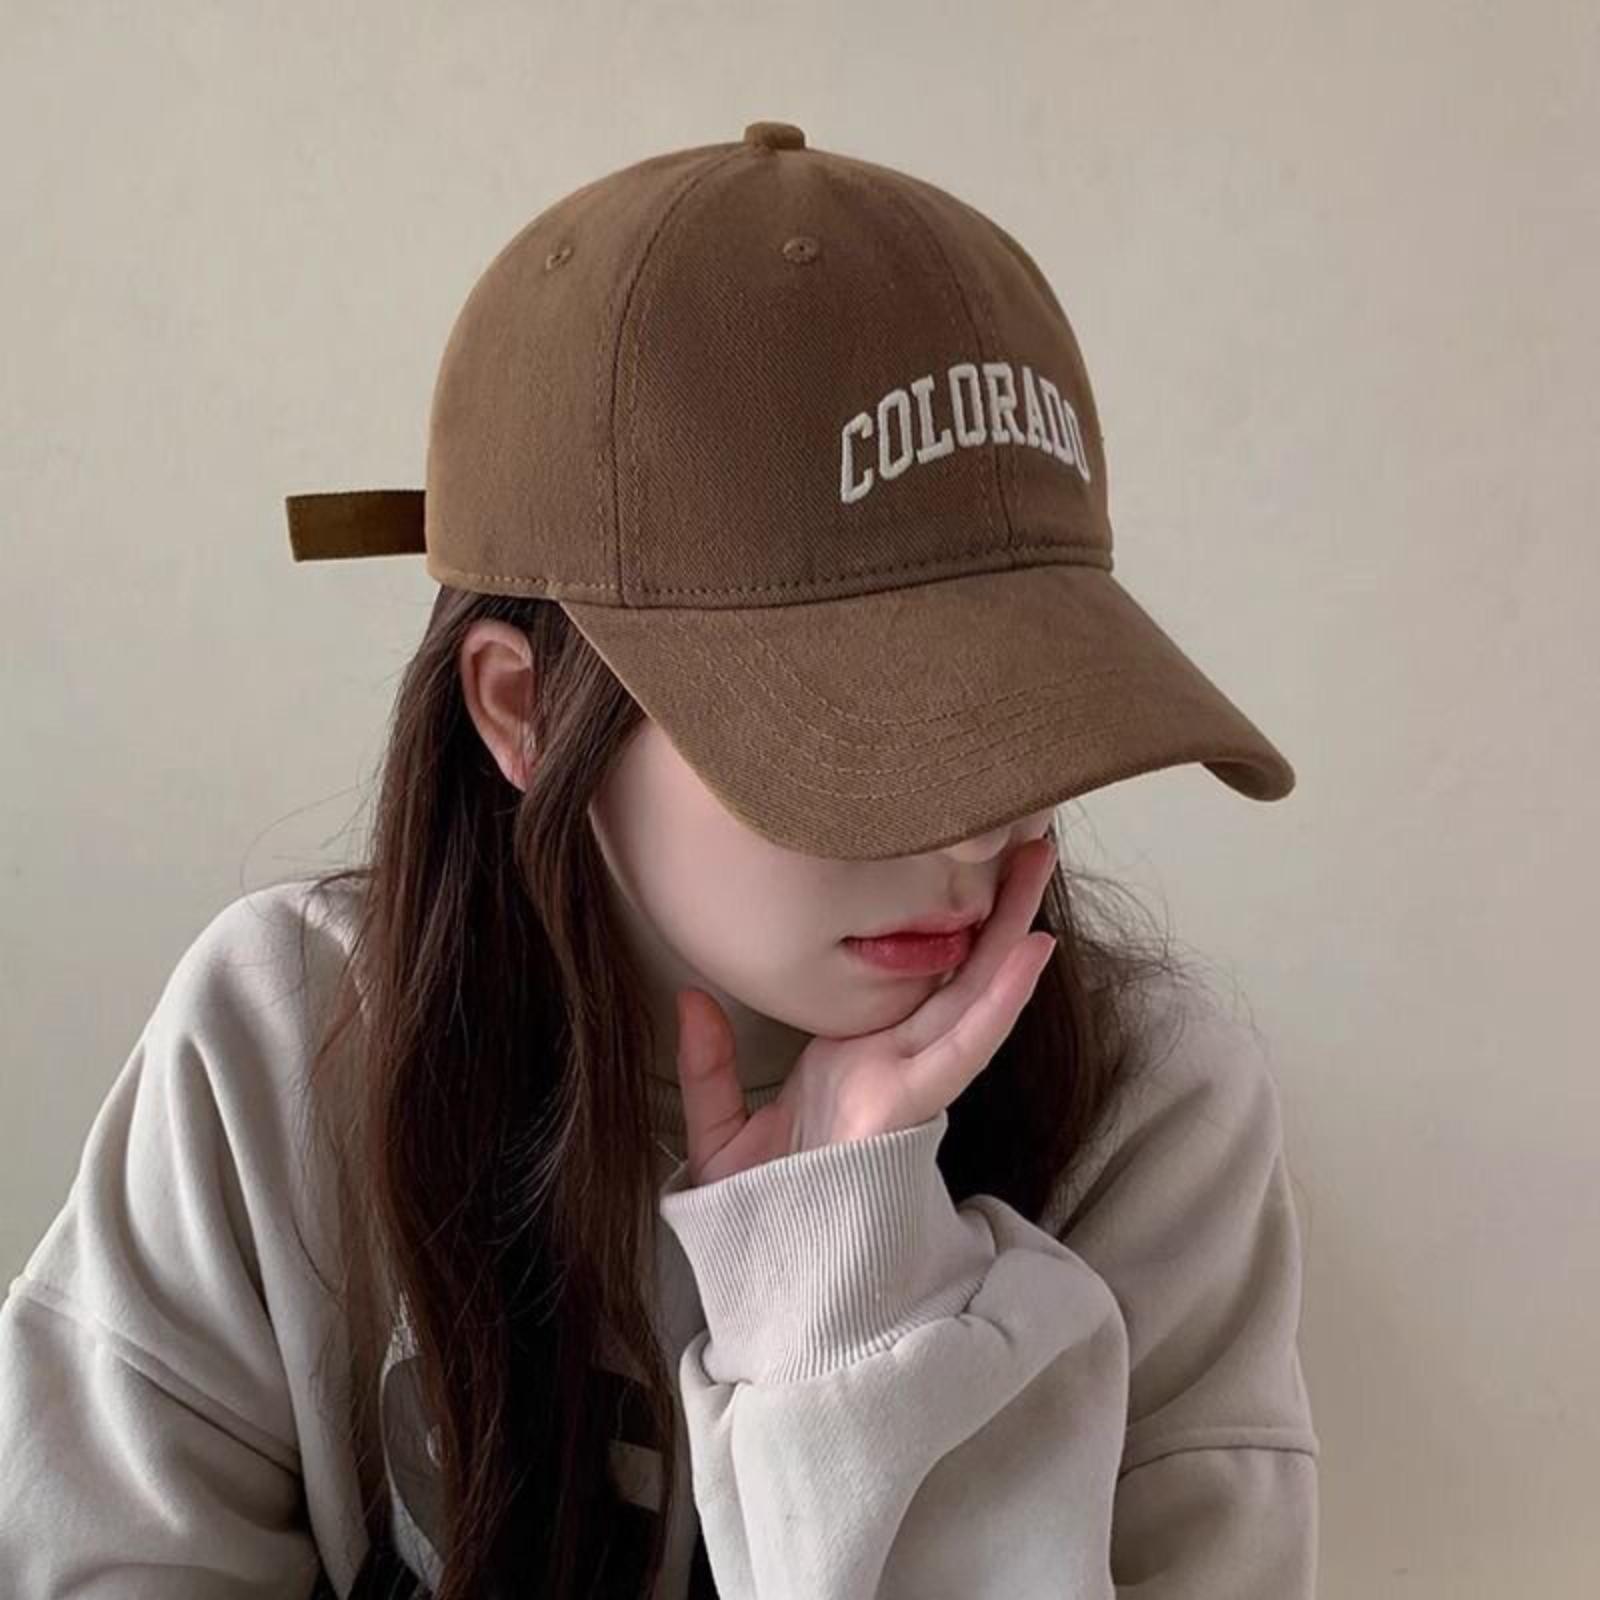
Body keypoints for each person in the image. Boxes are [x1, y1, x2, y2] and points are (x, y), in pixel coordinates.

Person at [0, 121, 1320, 1599]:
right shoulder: (282, 1051)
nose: (974, 830)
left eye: (1027, 709)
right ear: (522, 708)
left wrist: (850, 1304)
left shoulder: (1151, 1114)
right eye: (860, 725)